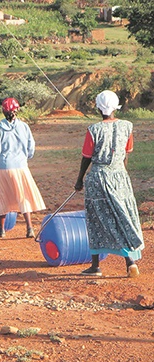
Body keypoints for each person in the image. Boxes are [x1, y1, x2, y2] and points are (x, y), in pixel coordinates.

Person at [74, 90, 144, 278]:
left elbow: (86, 158)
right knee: (122, 216)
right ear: (116, 106)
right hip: (120, 177)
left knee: (96, 219)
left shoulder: (93, 129)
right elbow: (126, 154)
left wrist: (80, 179)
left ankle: (95, 266)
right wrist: (123, 175)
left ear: (98, 107)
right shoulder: (128, 126)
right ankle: (130, 262)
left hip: (98, 178)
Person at [0, 97, 46, 238]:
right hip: (21, 167)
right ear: (17, 110)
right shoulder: (24, 126)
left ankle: (1, 230)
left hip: (4, 167)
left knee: (3, 196)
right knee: (23, 196)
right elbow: (31, 147)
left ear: (3, 110)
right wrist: (25, 158)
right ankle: (30, 228)